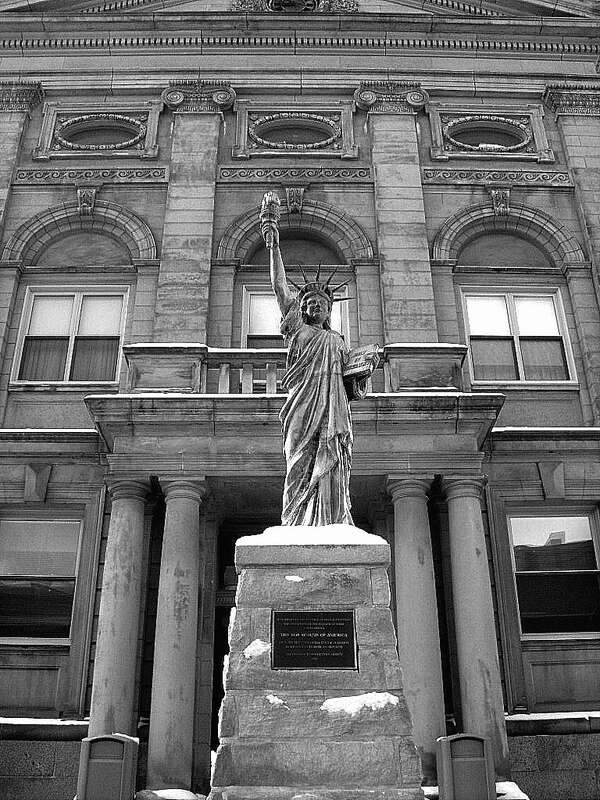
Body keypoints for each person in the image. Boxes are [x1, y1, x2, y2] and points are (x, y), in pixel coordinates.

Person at [260, 191, 354, 526]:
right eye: (310, 303)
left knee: (332, 462)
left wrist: (363, 369)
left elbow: (352, 384)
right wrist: (273, 244)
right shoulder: (296, 326)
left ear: (329, 311)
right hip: (301, 402)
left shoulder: (336, 340)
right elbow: (279, 286)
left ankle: (328, 519)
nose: (315, 306)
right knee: (297, 459)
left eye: (321, 304)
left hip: (332, 407)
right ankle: (294, 523)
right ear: (302, 309)